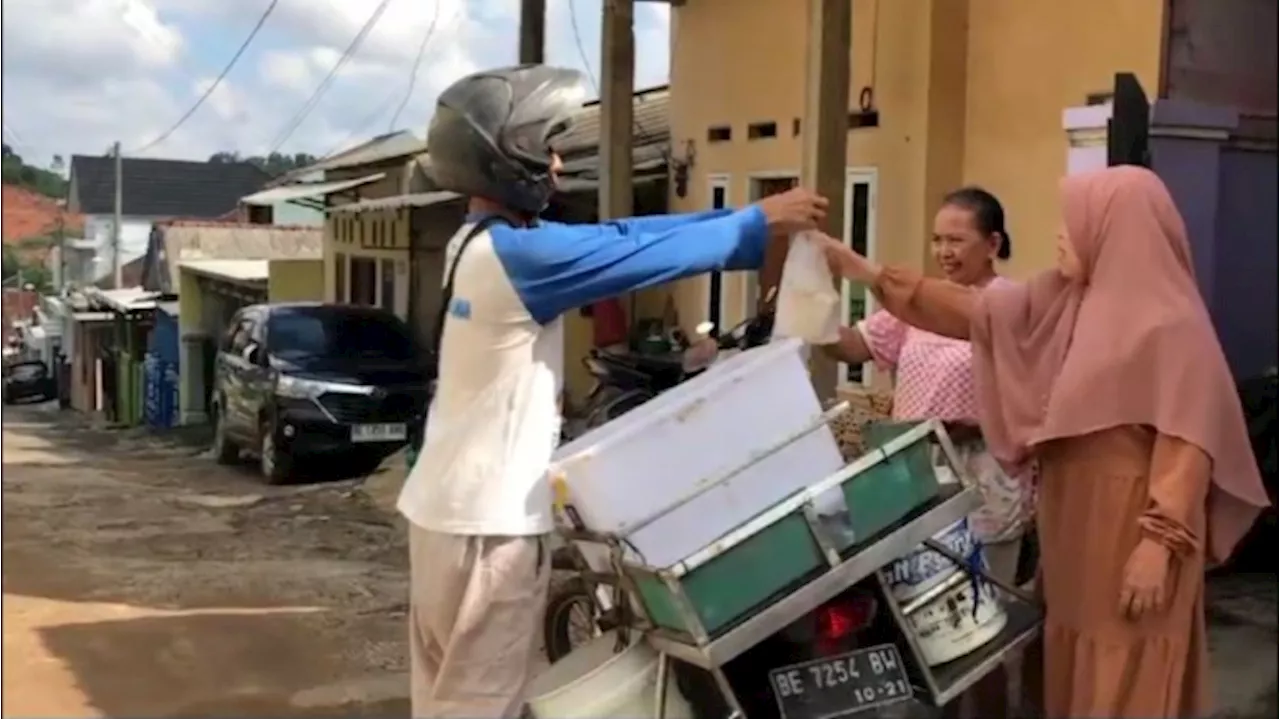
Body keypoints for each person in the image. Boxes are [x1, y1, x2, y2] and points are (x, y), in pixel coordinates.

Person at [397, 64, 829, 718]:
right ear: (504, 159)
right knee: (482, 705)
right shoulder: (519, 261)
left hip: (441, 514)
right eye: (546, 149)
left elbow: (623, 237)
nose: (559, 165)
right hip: (489, 528)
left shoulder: (474, 244)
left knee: (444, 700)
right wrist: (756, 221)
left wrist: (748, 223)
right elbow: (633, 254)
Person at [822, 165, 1269, 718]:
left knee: (1124, 658)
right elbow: (970, 311)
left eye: (1074, 222)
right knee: (1068, 652)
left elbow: (1190, 443)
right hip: (1072, 521)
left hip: (1131, 526)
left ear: (1116, 230)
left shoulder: (1171, 327)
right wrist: (866, 272)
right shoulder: (1064, 303)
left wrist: (1160, 544)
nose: (1061, 234)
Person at [821, 187, 1034, 717]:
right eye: (937, 239)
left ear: (993, 243)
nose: (943, 251)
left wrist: (968, 426)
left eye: (956, 240)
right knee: (924, 619)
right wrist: (812, 313)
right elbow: (855, 346)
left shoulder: (1011, 308)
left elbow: (1029, 398)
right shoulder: (918, 304)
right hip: (913, 483)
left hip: (985, 483)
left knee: (984, 624)